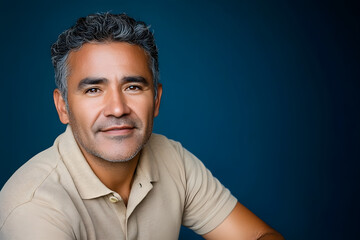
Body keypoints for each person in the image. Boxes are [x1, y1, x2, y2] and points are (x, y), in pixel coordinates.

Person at [0, 13, 284, 240]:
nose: (117, 109)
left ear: (157, 100)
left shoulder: (173, 159)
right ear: (63, 107)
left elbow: (259, 235)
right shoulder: (34, 208)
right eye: (93, 90)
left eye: (133, 86)